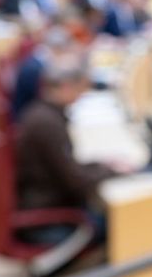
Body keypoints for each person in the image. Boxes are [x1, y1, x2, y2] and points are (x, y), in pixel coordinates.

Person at [14, 60, 122, 233]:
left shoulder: (40, 111)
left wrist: (99, 165)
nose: (81, 96)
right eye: (80, 90)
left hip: (43, 199)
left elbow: (67, 167)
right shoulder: (48, 125)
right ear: (66, 87)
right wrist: (113, 172)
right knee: (120, 224)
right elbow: (76, 182)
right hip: (48, 216)